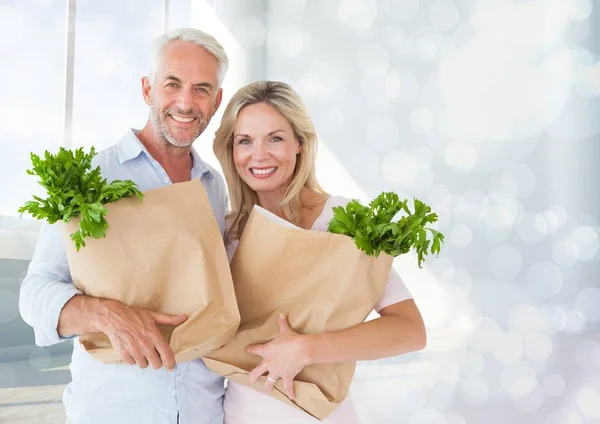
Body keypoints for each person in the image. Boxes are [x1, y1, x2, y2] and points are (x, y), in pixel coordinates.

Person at [19, 28, 229, 424]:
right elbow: (35, 293)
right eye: (172, 84)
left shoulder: (214, 186)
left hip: (203, 408)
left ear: (216, 101)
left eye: (202, 89)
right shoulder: (92, 176)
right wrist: (104, 315)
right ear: (147, 89)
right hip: (116, 410)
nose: (186, 102)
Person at [213, 81, 427, 424]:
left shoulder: (342, 221)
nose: (259, 154)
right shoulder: (227, 233)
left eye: (275, 138)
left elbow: (410, 330)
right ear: (231, 150)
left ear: (300, 143)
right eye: (245, 141)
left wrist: (307, 349)